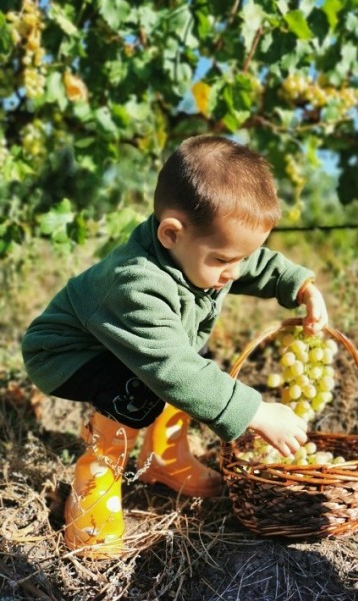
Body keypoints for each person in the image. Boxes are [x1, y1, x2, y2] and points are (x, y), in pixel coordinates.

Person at [21, 135, 328, 558]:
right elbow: (170, 368)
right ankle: (94, 486)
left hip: (122, 346)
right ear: (171, 233)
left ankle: (165, 459)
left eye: (239, 258)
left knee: (193, 360)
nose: (233, 272)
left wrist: (300, 286)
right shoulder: (136, 283)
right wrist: (254, 410)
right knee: (149, 384)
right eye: (222, 261)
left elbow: (253, 262)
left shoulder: (204, 250)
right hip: (65, 356)